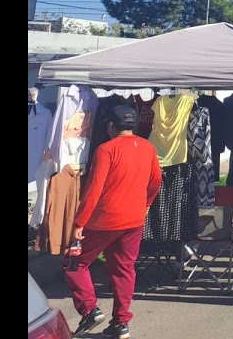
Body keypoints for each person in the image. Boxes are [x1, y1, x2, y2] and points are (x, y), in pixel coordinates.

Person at [66, 105, 163, 339]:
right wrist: (146, 204)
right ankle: (121, 323)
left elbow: (94, 189)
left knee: (74, 264)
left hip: (105, 220)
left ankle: (89, 309)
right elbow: (156, 181)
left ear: (111, 125)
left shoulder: (106, 149)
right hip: (134, 219)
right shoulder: (148, 148)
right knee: (124, 270)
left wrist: (79, 222)